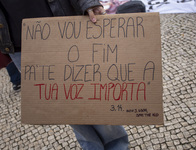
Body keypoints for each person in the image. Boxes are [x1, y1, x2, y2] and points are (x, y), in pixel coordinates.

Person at [0, 1, 129, 149]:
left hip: (64, 30)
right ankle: (91, 146)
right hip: (20, 44)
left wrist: (88, 3)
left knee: (94, 96)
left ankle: (117, 145)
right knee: (66, 106)